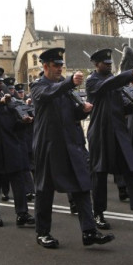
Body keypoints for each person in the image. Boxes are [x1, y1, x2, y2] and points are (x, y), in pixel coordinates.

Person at [31, 47, 114, 248]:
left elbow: (71, 114)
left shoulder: (64, 87)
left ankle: (89, 231)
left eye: (61, 65)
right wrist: (69, 82)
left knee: (82, 187)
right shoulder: (38, 86)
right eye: (55, 65)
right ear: (45, 66)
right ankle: (43, 233)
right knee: (45, 190)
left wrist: (83, 111)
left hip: (70, 143)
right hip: (49, 146)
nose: (60, 69)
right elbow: (48, 94)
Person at [86, 48, 133, 230]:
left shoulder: (115, 82)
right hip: (101, 132)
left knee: (131, 170)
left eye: (111, 63)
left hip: (119, 131)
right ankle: (98, 213)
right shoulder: (93, 81)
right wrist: (129, 74)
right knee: (100, 174)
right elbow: (107, 87)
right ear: (96, 64)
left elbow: (122, 107)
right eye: (105, 64)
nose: (109, 66)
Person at [0, 67, 35, 228]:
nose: (0, 83)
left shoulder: (12, 100)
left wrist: (24, 122)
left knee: (18, 182)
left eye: (1, 81)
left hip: (12, 146)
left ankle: (22, 213)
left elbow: (16, 122)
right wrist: (0, 101)